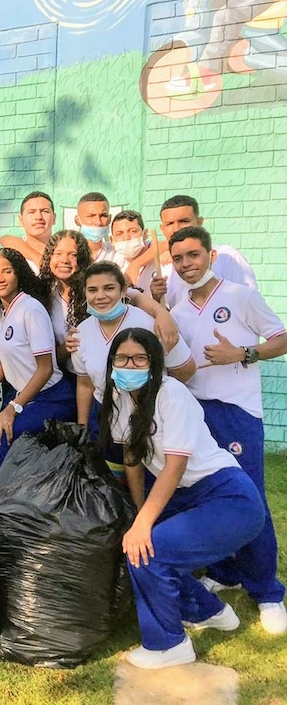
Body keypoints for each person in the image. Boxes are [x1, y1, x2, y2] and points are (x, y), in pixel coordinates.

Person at [99, 328, 265, 669]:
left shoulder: (172, 395)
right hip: (185, 495)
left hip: (227, 497)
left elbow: (175, 466)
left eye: (139, 358)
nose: (129, 365)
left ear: (154, 362)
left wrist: (145, 524)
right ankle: (212, 611)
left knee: (149, 551)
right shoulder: (120, 397)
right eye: (122, 358)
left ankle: (168, 645)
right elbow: (132, 456)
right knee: (137, 541)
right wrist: (139, 512)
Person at [168, 225, 287, 634]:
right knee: (205, 496)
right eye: (179, 258)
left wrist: (242, 352)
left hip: (237, 411)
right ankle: (225, 570)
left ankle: (267, 591)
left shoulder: (240, 296)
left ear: (211, 256)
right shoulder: (178, 310)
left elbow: (282, 338)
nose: (186, 264)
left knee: (248, 497)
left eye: (193, 255)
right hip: (196, 412)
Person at [71, 262, 194, 476]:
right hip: (104, 414)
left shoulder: (150, 324)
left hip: (149, 414)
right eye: (92, 290)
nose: (100, 296)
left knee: (148, 478)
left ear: (123, 289)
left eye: (109, 288)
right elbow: (84, 384)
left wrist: (157, 397)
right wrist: (83, 427)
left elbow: (186, 369)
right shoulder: (81, 332)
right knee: (112, 481)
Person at [0, 248, 75, 484]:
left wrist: (12, 409)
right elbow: (9, 358)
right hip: (21, 395)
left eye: (6, 271)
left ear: (19, 273)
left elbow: (45, 368)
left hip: (51, 397)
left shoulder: (30, 309)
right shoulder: (4, 311)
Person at [149, 195, 257, 308]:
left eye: (184, 221)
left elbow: (250, 303)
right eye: (170, 224)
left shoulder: (227, 256)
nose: (176, 229)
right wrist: (156, 299)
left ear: (199, 222)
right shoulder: (163, 270)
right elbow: (169, 318)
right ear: (162, 229)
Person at [38, 229, 93, 370]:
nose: (64, 260)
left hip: (98, 375)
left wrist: (158, 311)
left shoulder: (93, 289)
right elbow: (49, 360)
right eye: (57, 253)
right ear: (49, 257)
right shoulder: (44, 295)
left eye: (73, 254)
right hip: (67, 377)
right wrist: (65, 348)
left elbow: (132, 295)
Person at [0, 191, 57, 274]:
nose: (38, 217)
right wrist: (37, 258)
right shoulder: (10, 258)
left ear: (54, 218)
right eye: (32, 212)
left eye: (45, 211)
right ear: (20, 220)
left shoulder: (65, 251)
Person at [72, 192, 126, 266]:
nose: (98, 222)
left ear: (110, 219)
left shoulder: (117, 253)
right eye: (91, 216)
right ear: (77, 220)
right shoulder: (68, 252)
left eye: (103, 215)